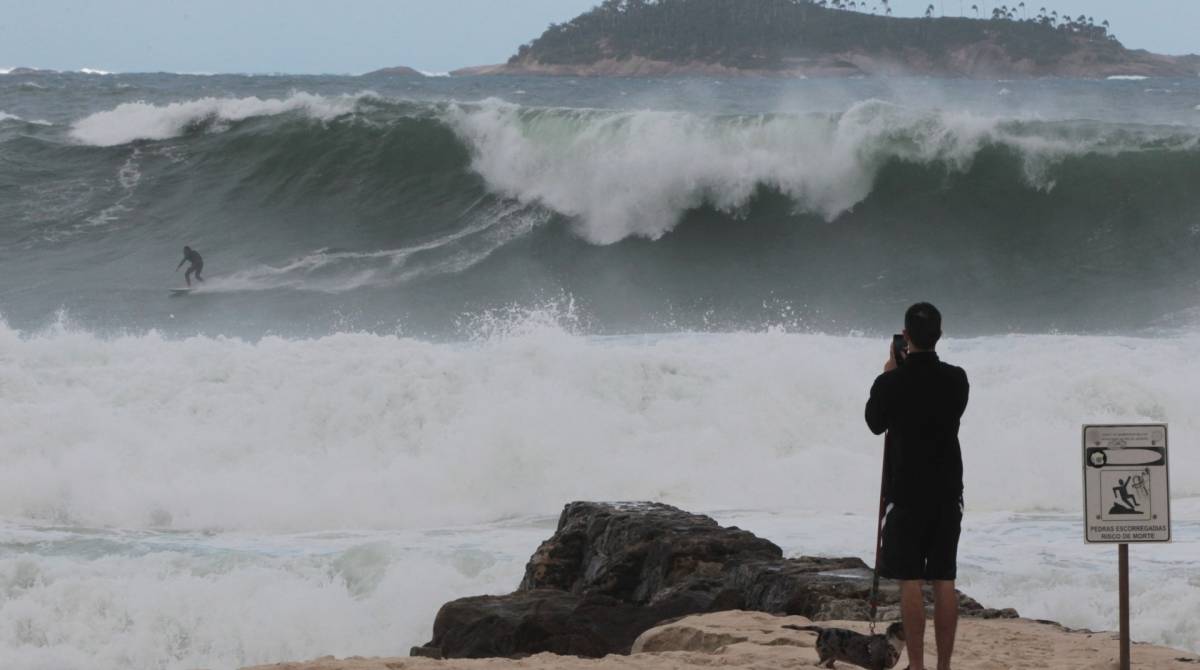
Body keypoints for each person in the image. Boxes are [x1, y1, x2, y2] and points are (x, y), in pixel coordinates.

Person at [865, 302, 969, 670]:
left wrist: (890, 372)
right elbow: (951, 411)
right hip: (946, 489)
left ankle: (918, 666)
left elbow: (875, 423)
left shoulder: (891, 382)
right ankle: (943, 666)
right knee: (944, 578)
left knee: (909, 580)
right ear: (939, 336)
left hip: (906, 489)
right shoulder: (957, 379)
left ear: (905, 337)